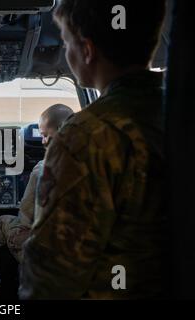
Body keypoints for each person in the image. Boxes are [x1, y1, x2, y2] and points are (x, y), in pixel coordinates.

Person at [20, 0, 168, 299]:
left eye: (66, 42)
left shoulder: (83, 137)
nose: (65, 51)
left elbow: (50, 276)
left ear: (86, 51)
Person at [0, 104, 74, 263]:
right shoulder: (98, 164)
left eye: (45, 135)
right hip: (82, 252)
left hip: (48, 255)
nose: (43, 141)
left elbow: (25, 220)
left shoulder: (42, 170)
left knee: (0, 222)